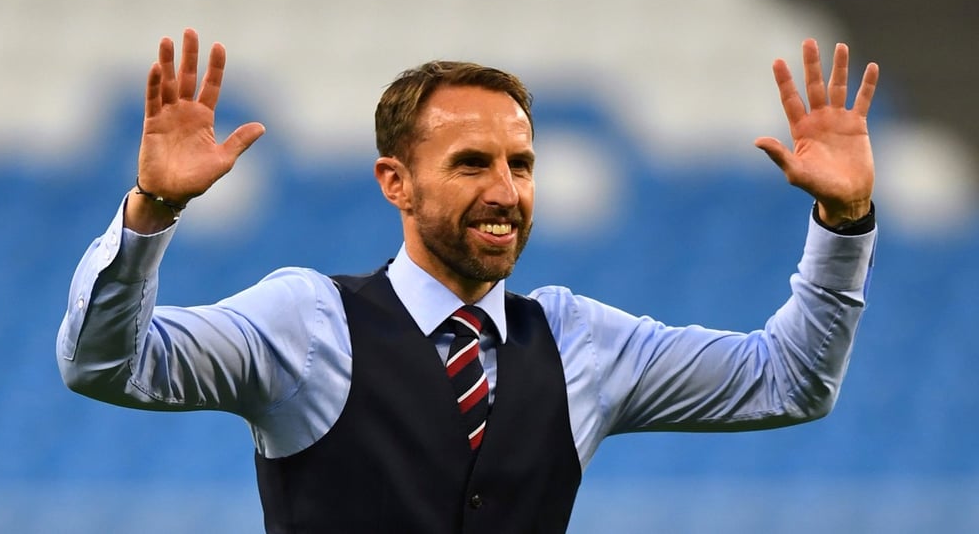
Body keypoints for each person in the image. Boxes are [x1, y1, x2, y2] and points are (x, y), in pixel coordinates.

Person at [57, 28, 880, 533]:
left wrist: (844, 223)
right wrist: (154, 206)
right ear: (395, 182)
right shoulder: (306, 322)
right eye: (472, 163)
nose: (505, 190)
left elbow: (791, 381)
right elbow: (106, 364)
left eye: (521, 163)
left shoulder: (578, 339)